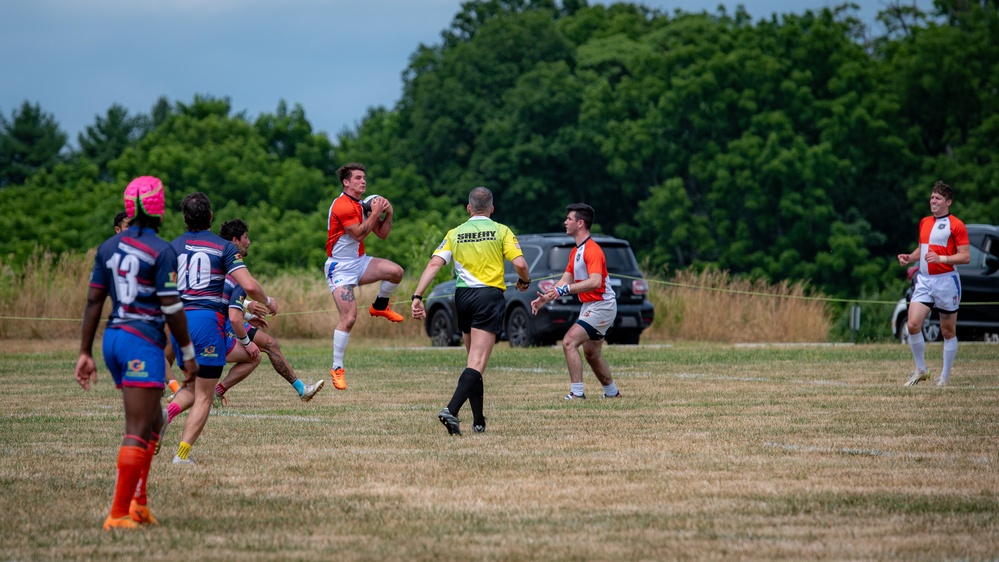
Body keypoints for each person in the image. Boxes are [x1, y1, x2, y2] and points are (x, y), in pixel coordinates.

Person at [75, 176, 199, 530]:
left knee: (155, 422)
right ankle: (117, 514)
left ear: (129, 207)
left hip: (113, 338)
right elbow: (172, 309)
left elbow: (93, 301)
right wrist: (187, 355)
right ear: (159, 208)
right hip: (140, 342)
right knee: (138, 427)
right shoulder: (162, 250)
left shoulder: (108, 248)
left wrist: (85, 351)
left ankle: (139, 505)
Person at [165, 192, 278, 464]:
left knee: (191, 385)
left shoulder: (172, 247)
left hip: (177, 322)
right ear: (211, 216)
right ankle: (182, 455)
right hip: (206, 322)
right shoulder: (223, 247)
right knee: (205, 395)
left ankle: (163, 416)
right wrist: (267, 300)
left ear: (184, 218)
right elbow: (248, 285)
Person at [411, 186, 530, 435]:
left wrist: (417, 295)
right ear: (492, 209)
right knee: (477, 363)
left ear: (469, 208)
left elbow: (435, 263)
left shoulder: (455, 233)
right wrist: (525, 280)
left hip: (462, 297)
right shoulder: (500, 230)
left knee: (473, 362)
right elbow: (519, 263)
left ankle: (478, 421)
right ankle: (450, 410)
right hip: (488, 296)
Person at [211, 219, 325, 404]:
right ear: (235, 240)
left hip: (224, 318)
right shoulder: (226, 263)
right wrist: (261, 304)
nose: (249, 242)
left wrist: (247, 312)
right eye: (246, 238)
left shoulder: (220, 258)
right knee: (254, 354)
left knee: (270, 344)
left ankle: (302, 389)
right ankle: (186, 391)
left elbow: (223, 298)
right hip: (218, 323)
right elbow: (232, 300)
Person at [325, 162, 405, 391]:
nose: (363, 181)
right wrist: (377, 212)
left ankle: (380, 305)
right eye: (358, 178)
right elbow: (359, 234)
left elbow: (382, 234)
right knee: (349, 318)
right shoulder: (342, 205)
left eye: (364, 178)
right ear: (346, 182)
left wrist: (388, 213)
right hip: (339, 268)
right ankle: (337, 367)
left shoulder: (363, 204)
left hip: (360, 262)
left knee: (396, 272)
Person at [531, 203, 623, 401]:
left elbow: (595, 281)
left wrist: (567, 289)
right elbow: (565, 280)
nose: (565, 222)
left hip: (602, 305)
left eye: (569, 219)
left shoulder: (593, 250)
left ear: (580, 223)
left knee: (568, 342)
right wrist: (544, 299)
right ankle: (612, 393)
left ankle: (577, 393)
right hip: (590, 306)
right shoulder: (576, 251)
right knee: (592, 354)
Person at [897, 181, 970, 387]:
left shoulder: (956, 225)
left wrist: (942, 259)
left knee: (947, 331)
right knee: (912, 324)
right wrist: (909, 258)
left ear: (948, 202)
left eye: (937, 198)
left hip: (946, 282)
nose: (933, 201)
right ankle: (921, 370)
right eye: (931, 198)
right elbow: (923, 250)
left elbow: (965, 257)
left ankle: (944, 378)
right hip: (924, 281)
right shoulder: (925, 222)